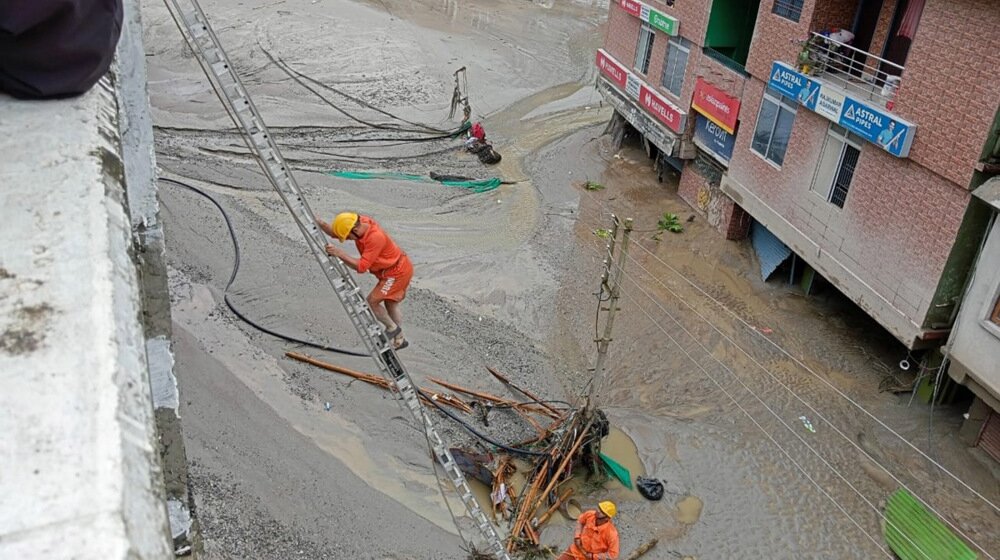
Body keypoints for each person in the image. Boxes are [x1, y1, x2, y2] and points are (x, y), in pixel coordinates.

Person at [317, 212, 413, 350]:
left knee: (372, 302)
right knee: (391, 303)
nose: (348, 239)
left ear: (355, 230)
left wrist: (340, 253)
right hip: (390, 270)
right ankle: (400, 338)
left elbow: (361, 267)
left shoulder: (375, 238)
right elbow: (336, 233)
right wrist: (320, 223)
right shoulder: (359, 223)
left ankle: (392, 328)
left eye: (349, 237)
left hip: (397, 273)